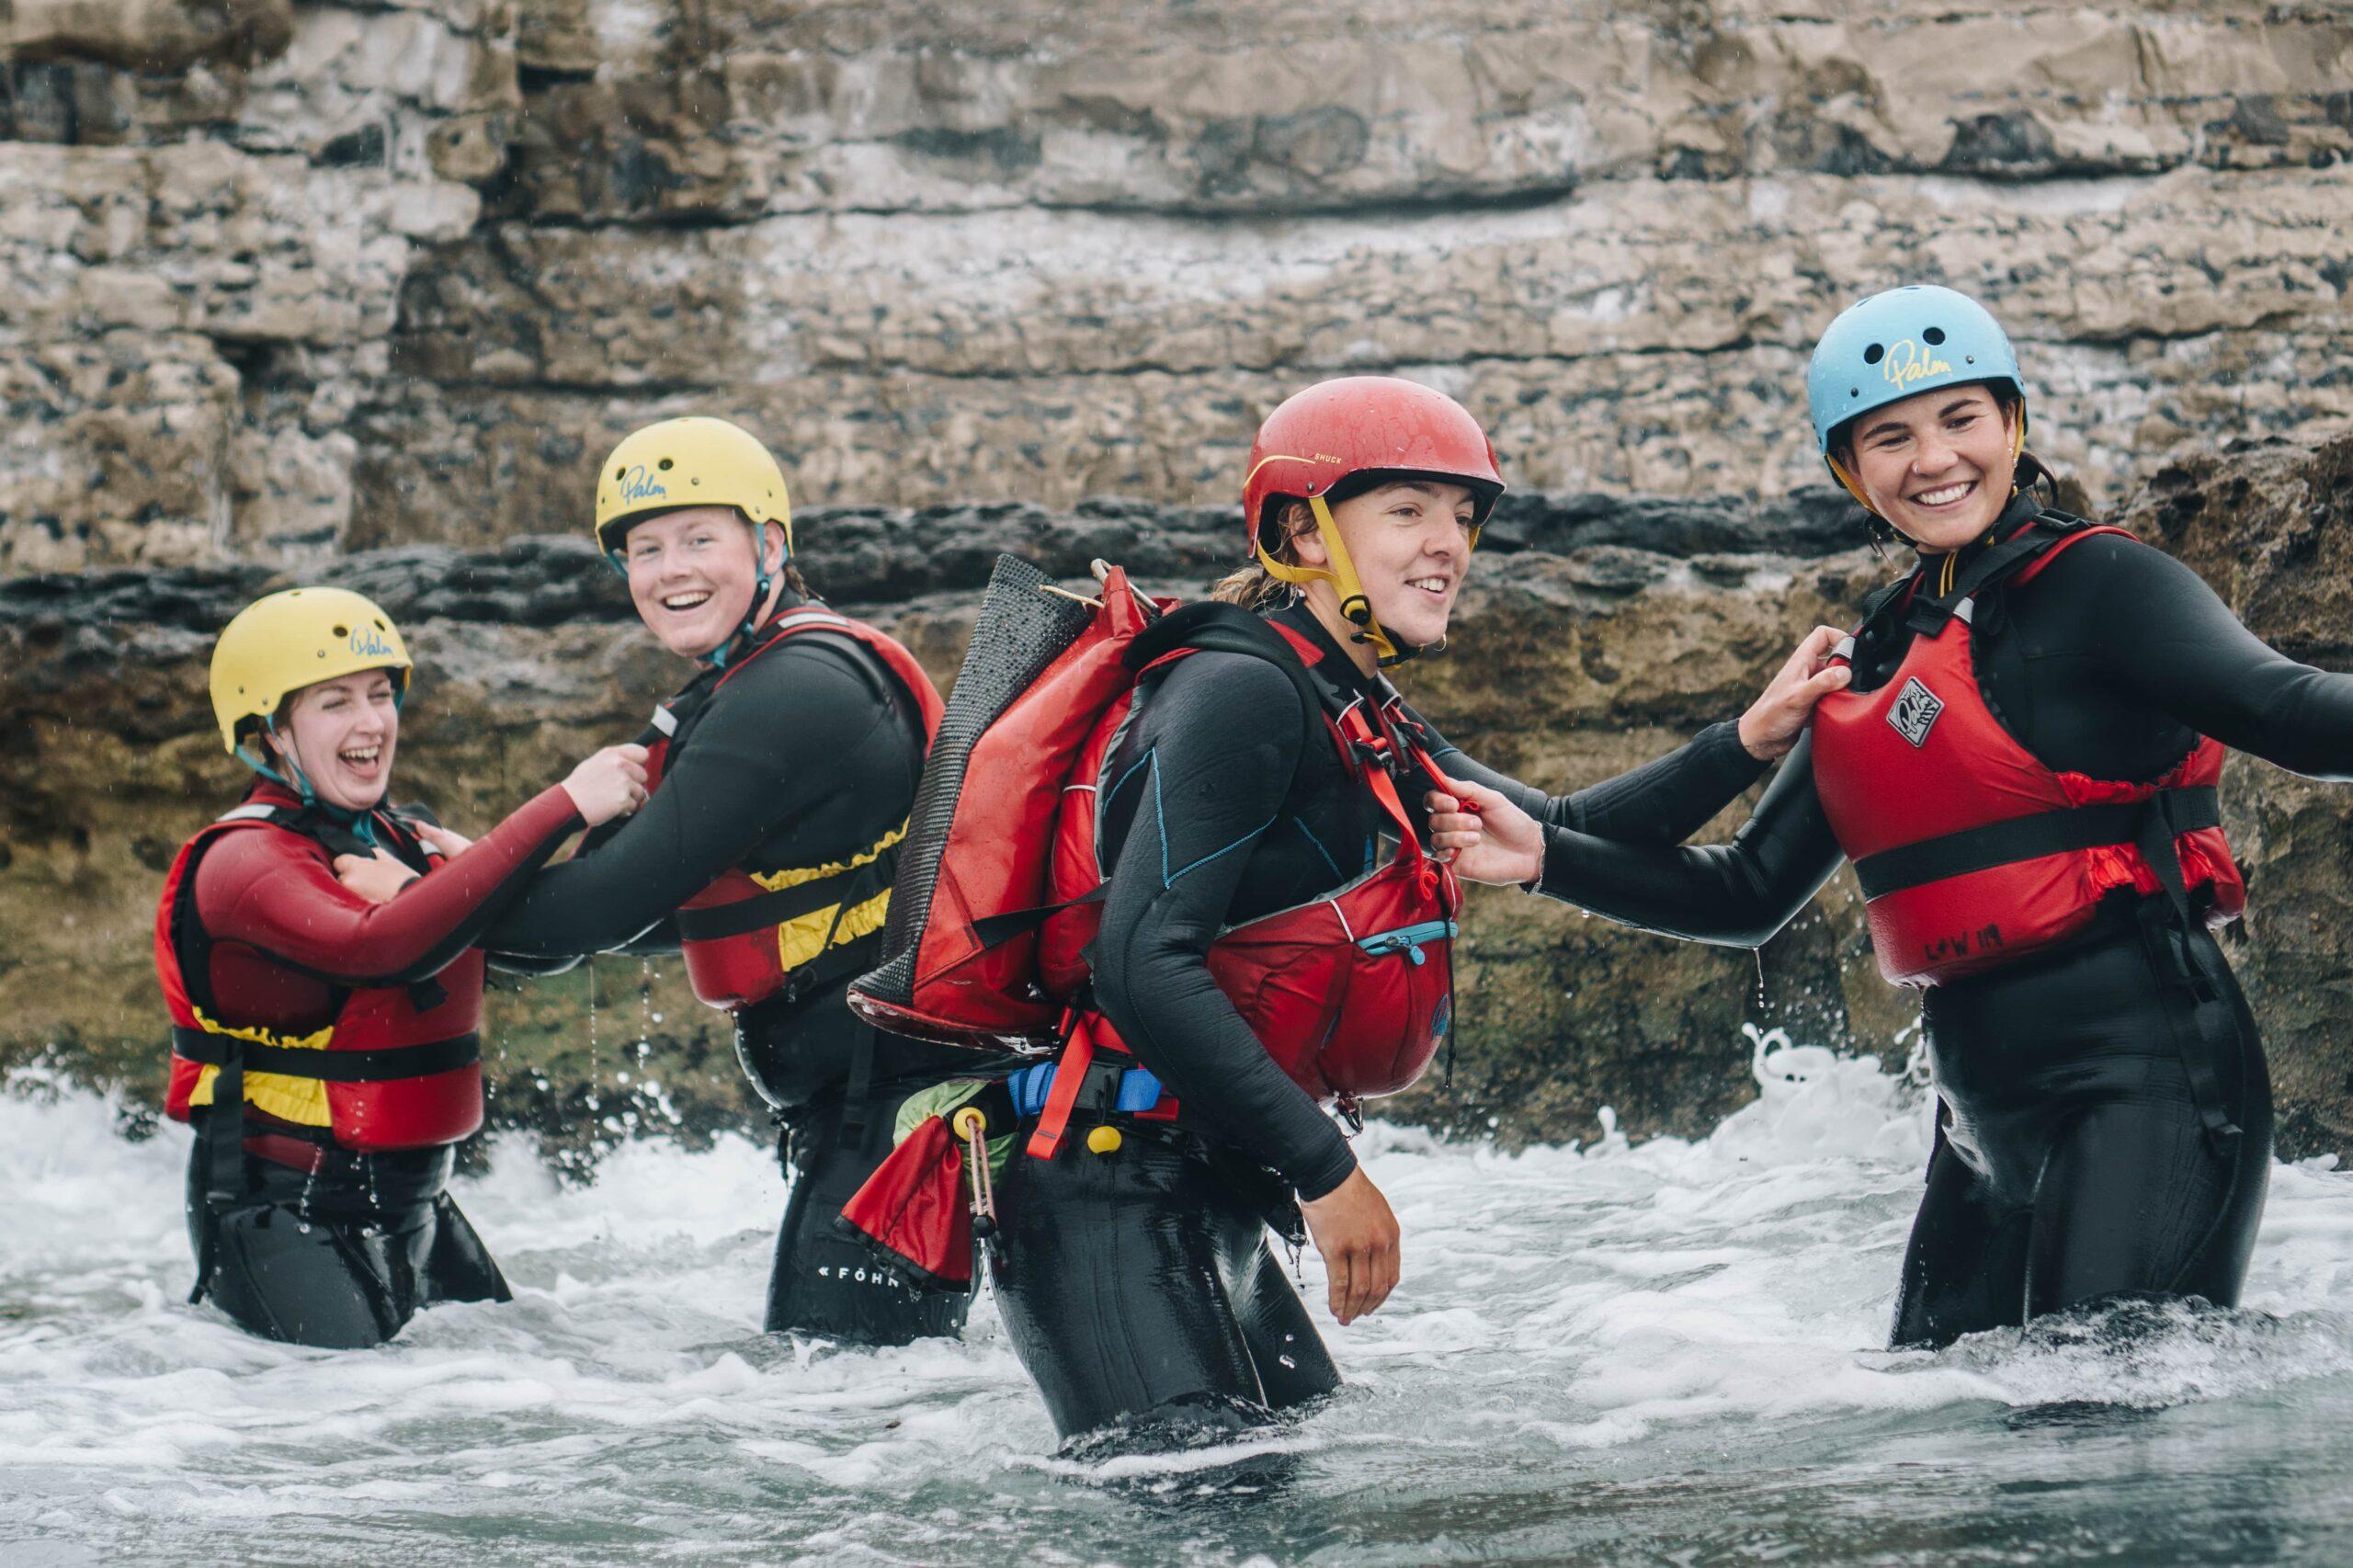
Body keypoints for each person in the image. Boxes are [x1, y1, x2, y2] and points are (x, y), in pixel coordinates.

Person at [1443, 283, 2353, 1347]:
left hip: (2148, 1087)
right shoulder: (1878, 650)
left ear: (2012, 423)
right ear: (1848, 470)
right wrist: (1543, 858)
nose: (1934, 459)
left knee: (2105, 1441)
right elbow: (1747, 891)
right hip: (1977, 1121)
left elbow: (2291, 710)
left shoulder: (2106, 584)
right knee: (1953, 1446)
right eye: (1890, 436)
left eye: (1961, 419)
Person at [975, 376, 1846, 1447]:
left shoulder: (1354, 701)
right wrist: (1329, 1172)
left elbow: (1558, 826)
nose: (1449, 545)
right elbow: (1143, 960)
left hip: (1209, 1183)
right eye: (1406, 511)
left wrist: (1747, 740)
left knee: (1282, 1505)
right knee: (1205, 1518)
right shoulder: (1239, 692)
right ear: (1301, 531)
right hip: (1110, 1192)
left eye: (1463, 516)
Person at [467, 416, 972, 1346]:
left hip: (894, 1122)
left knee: (836, 1423)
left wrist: (427, 899)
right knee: (853, 1417)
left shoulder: (791, 694)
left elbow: (595, 910)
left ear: (770, 544)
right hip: (888, 1112)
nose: (670, 571)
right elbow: (681, 911)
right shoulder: (765, 677)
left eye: (701, 539)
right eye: (645, 550)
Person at [158, 586, 647, 1347]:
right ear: (270, 732)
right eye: (333, 702)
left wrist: (598, 838)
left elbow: (545, 952)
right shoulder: (243, 862)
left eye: (380, 695)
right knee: (355, 1438)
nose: (370, 723)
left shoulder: (401, 841)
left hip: (419, 1206)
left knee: (529, 1406)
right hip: (281, 1212)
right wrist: (563, 805)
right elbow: (380, 949)